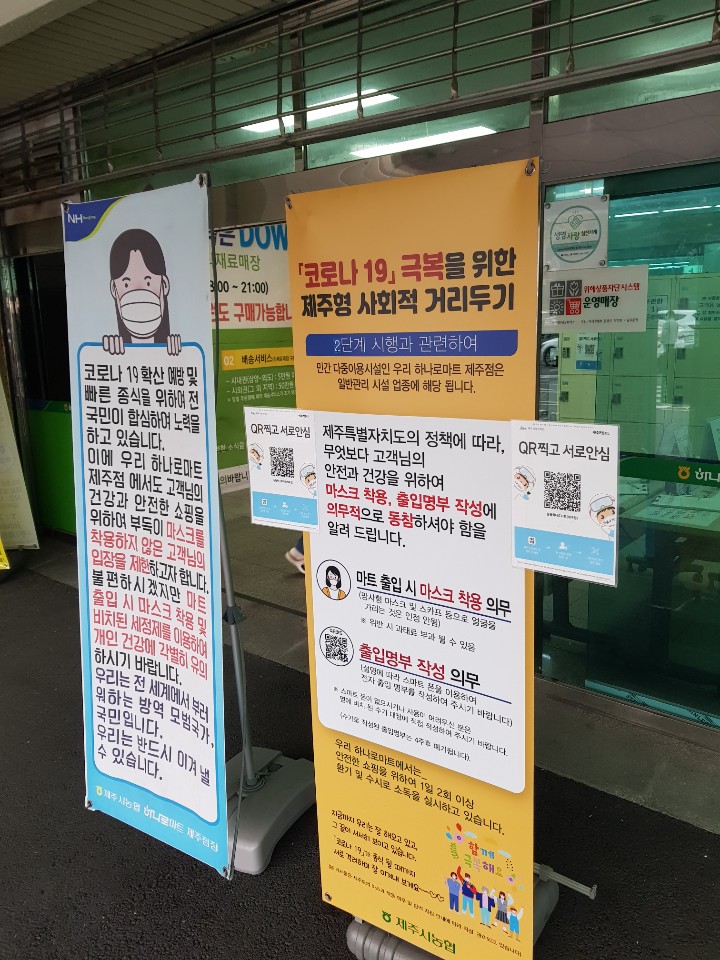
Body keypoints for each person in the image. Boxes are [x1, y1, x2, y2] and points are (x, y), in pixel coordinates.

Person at [103, 228, 180, 355]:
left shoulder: (174, 348)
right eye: (126, 284)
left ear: (164, 285)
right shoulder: (113, 350)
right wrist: (111, 355)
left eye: (148, 282)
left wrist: (176, 354)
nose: (138, 290)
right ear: (114, 289)